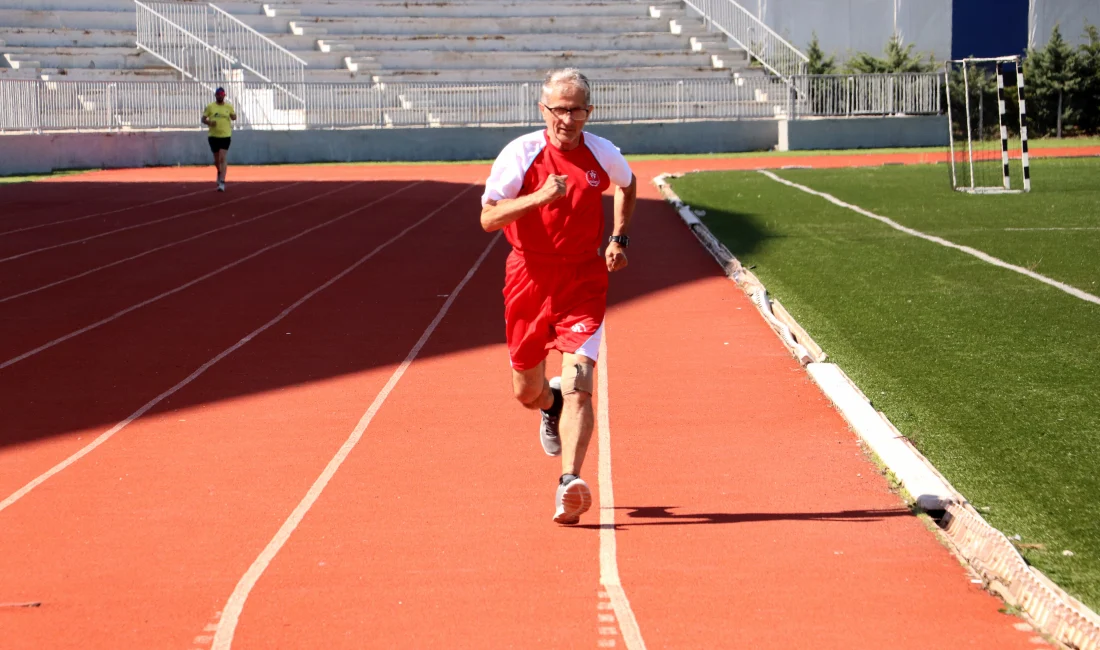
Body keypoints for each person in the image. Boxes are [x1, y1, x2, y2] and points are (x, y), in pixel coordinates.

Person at [480, 68, 637, 525]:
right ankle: (549, 407)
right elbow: (489, 219)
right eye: (558, 109)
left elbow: (627, 184)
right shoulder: (521, 153)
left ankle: (569, 481)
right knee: (526, 390)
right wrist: (540, 198)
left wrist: (619, 239)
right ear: (542, 109)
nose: (566, 119)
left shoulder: (601, 153)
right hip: (528, 276)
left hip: (583, 279)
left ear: (590, 111)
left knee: (581, 385)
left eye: (576, 110)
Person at [201, 87, 236, 192]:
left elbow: (233, 116)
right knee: (216, 160)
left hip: (225, 135)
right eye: (218, 94)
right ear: (215, 95)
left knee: (222, 157)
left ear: (224, 95)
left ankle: (222, 182)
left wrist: (233, 116)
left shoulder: (228, 107)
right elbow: (203, 119)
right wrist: (209, 123)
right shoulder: (210, 107)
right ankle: (219, 172)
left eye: (222, 94)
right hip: (213, 136)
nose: (220, 95)